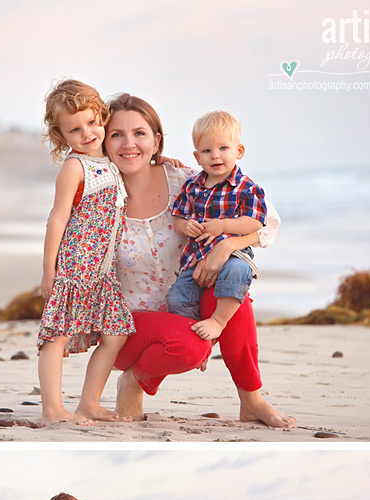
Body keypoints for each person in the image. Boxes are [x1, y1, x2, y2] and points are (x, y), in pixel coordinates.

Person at [102, 95, 294, 429]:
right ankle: (133, 380)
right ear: (105, 141)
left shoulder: (185, 180)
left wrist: (226, 246)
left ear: (156, 140)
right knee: (191, 347)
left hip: (188, 300)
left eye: (140, 133)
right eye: (117, 134)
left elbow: (269, 222)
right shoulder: (101, 196)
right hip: (130, 324)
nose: (129, 143)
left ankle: (252, 400)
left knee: (237, 294)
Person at [35, 81, 134, 425]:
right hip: (76, 267)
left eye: (92, 122)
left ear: (102, 118)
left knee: (116, 333)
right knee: (57, 336)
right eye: (75, 129)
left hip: (102, 271)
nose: (87, 133)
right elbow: (57, 219)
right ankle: (52, 410)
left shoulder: (109, 162)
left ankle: (89, 403)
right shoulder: (75, 168)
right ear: (62, 135)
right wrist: (50, 272)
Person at [165, 111, 271, 345]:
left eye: (223, 148)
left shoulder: (246, 187)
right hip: (196, 258)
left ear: (239, 151)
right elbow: (178, 219)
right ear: (197, 157)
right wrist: (186, 226)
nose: (216, 156)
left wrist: (223, 225)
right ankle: (197, 341)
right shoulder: (192, 185)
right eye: (207, 151)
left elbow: (255, 222)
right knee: (176, 297)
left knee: (237, 274)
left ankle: (218, 322)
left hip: (233, 254)